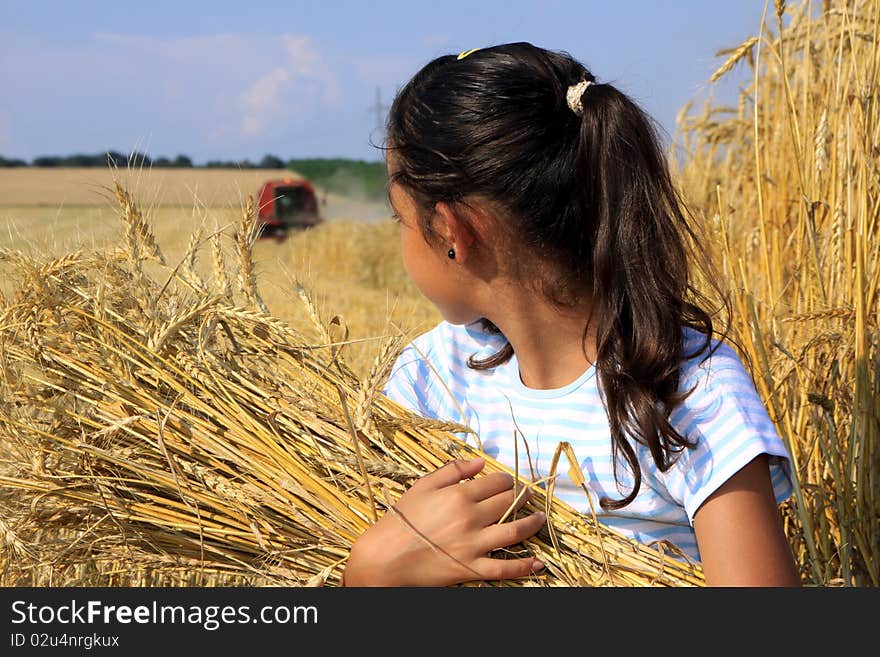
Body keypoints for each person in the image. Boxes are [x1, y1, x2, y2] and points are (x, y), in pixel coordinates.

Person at [342, 42, 801, 587]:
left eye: (401, 218)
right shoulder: (430, 375)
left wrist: (371, 576)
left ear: (449, 232)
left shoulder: (689, 390)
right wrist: (366, 576)